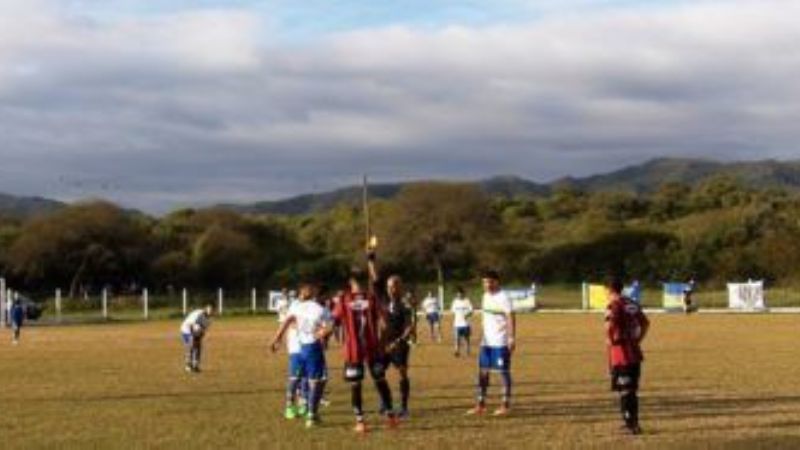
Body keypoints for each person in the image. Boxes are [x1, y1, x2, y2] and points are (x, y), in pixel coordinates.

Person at [332, 265, 399, 433]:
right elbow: (384, 325)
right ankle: (391, 416)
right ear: (364, 280)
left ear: (350, 282)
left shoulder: (343, 300)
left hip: (353, 350)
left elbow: (333, 321)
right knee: (380, 381)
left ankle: (360, 422)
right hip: (373, 348)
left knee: (356, 385)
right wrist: (382, 343)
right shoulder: (372, 298)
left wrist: (322, 333)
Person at [271, 283, 333, 428]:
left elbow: (287, 321)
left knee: (303, 379)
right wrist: (322, 334)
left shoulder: (297, 307)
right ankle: (311, 414)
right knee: (316, 381)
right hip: (312, 347)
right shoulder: (319, 309)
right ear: (314, 295)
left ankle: (304, 408)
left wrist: (277, 339)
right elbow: (331, 325)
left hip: (301, 347)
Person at [368, 253, 415, 419]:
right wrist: (371, 261)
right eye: (389, 286)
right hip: (383, 345)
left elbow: (409, 327)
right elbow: (375, 280)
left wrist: (398, 341)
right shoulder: (382, 299)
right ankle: (385, 403)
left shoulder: (406, 305)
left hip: (400, 344)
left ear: (400, 287)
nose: (391, 288)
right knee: (378, 372)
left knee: (402, 373)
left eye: (394, 286)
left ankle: (404, 407)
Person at [466, 270, 515, 417]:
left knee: (502, 372)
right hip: (486, 342)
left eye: (489, 282)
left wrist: (511, 337)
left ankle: (505, 405)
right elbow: (485, 318)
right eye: (484, 282)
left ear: (496, 281)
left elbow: (511, 317)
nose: (486, 285)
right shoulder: (485, 296)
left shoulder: (504, 297)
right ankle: (480, 404)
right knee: (483, 371)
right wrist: (482, 336)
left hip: (500, 341)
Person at [606, 277, 650, 435]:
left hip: (621, 354)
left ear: (609, 290)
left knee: (625, 390)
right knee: (631, 390)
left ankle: (632, 425)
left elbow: (611, 327)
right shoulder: (632, 303)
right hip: (635, 353)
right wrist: (638, 339)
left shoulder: (614, 305)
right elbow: (645, 323)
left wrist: (610, 341)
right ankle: (631, 421)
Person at [180, 304, 213, 373]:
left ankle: (196, 365)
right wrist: (194, 336)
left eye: (212, 311)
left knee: (198, 346)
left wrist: (199, 337)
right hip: (186, 330)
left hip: (195, 331)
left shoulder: (209, 320)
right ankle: (188, 365)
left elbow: (203, 331)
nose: (210, 312)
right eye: (209, 310)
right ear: (205, 309)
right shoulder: (198, 314)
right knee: (191, 346)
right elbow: (191, 326)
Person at [450, 287, 474, 357]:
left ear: (463, 294)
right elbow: (453, 311)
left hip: (466, 324)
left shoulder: (467, 301)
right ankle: (457, 351)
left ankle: (467, 351)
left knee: (466, 339)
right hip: (457, 324)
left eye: (460, 293)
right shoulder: (455, 302)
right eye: (458, 294)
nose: (459, 295)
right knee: (457, 338)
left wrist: (467, 315)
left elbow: (471, 311)